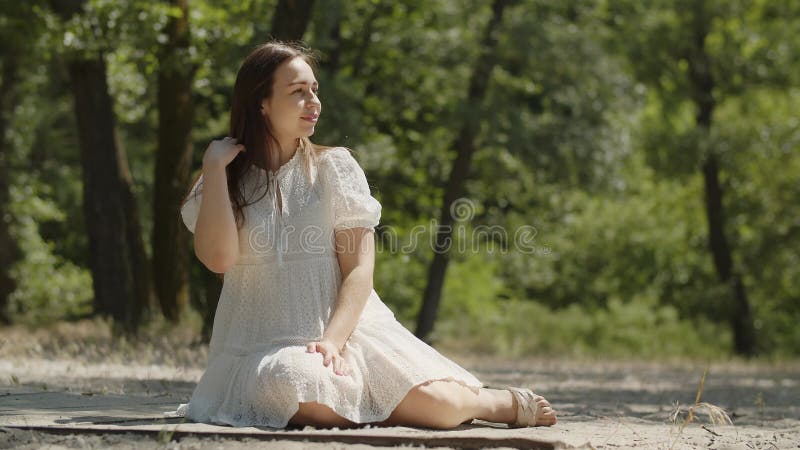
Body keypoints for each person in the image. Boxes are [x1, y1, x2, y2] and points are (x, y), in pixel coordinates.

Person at [174, 40, 557, 430]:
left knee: (440, 409)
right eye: (297, 92)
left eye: (314, 90)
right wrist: (216, 170)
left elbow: (359, 268)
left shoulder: (334, 168)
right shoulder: (219, 180)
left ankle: (494, 401)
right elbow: (218, 259)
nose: (313, 102)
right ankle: (364, 400)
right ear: (261, 103)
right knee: (289, 380)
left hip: (346, 332)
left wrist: (333, 342)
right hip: (260, 346)